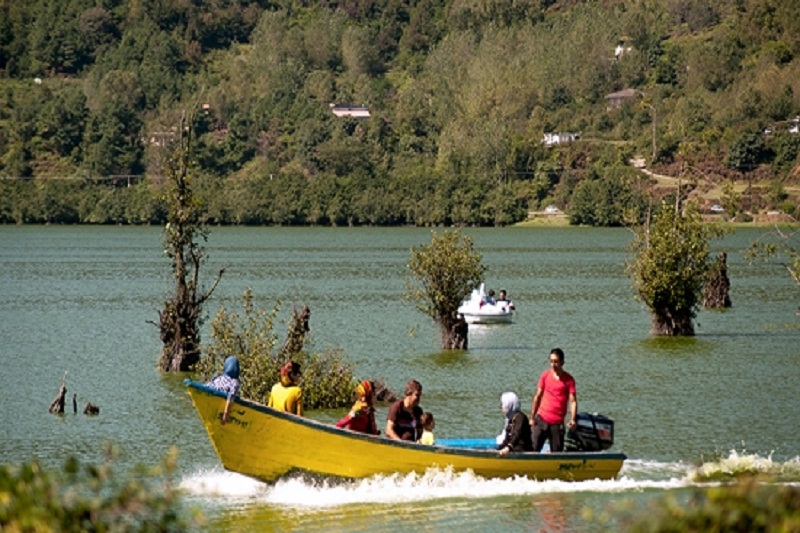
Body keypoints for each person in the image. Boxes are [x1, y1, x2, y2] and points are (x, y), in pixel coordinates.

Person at [530, 348, 577, 452]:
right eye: (551, 361)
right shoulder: (545, 376)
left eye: (556, 362)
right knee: (532, 450)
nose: (553, 365)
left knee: (557, 454)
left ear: (562, 362)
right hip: (541, 419)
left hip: (557, 424)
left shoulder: (569, 380)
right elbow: (537, 396)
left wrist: (572, 419)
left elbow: (573, 401)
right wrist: (532, 417)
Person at [206, 355, 240, 425]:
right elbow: (231, 397)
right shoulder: (234, 382)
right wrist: (226, 414)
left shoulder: (218, 378)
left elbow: (207, 386)